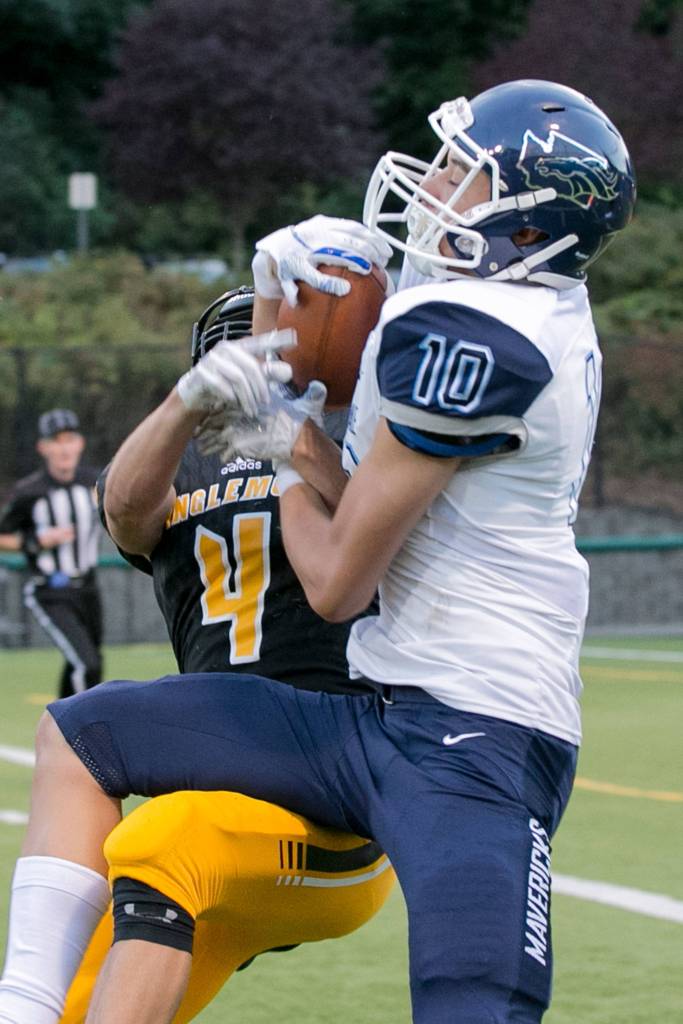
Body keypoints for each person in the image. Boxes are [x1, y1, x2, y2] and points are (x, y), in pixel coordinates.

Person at [0, 79, 636, 1024]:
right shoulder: (505, 300)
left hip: (479, 736)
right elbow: (343, 485)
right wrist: (311, 304)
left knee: (472, 1004)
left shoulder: (482, 344)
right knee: (81, 732)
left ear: (524, 222)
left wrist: (287, 428)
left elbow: (336, 582)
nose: (435, 184)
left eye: (463, 174)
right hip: (375, 716)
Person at [15, 288, 394, 1024]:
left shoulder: (361, 442)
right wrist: (186, 405)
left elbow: (384, 524)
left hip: (334, 799)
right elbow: (124, 512)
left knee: (126, 790)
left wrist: (297, 439)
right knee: (79, 992)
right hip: (222, 794)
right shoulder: (179, 458)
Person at [0, 409, 102, 697]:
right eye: (56, 441)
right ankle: (86, 737)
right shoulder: (30, 491)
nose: (64, 447)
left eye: (69, 439)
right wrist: (34, 541)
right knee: (87, 665)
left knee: (85, 663)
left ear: (79, 443)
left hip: (89, 588)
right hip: (50, 590)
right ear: (43, 447)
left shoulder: (95, 482)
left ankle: (59, 731)